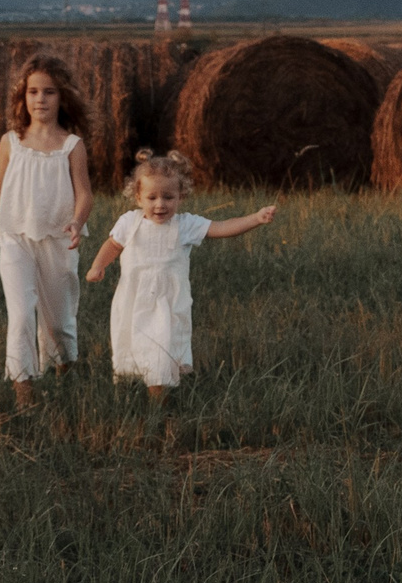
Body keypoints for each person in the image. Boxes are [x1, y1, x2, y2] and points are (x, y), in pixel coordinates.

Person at [86, 149, 276, 401]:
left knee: (161, 350)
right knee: (135, 346)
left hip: (168, 303)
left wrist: (255, 218)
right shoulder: (129, 222)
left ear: (181, 196)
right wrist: (98, 266)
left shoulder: (185, 225)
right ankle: (134, 398)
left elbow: (221, 227)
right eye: (152, 197)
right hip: (134, 300)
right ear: (138, 197)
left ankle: (158, 405)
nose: (160, 204)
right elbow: (113, 245)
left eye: (168, 197)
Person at [0, 56, 94, 407]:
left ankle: (66, 376)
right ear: (23, 97)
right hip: (14, 238)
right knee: (20, 315)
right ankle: (25, 395)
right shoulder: (11, 142)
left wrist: (77, 221)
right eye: (33, 92)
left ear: (62, 97)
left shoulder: (72, 146)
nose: (40, 99)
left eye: (49, 92)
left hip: (57, 241)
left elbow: (85, 193)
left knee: (59, 324)